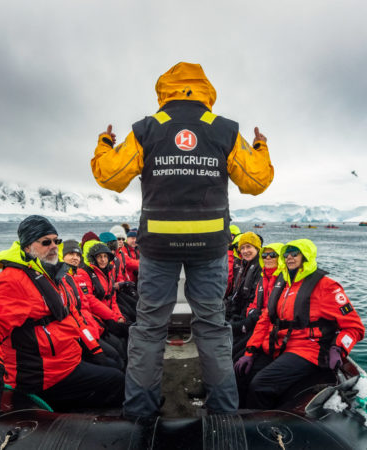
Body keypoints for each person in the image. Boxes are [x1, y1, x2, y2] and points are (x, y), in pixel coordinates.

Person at [91, 61, 274, 419]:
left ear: (164, 91)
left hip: (158, 246)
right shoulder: (223, 129)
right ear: (206, 91)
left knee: (148, 328)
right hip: (210, 246)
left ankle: (140, 412)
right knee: (213, 327)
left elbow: (110, 176)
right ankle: (223, 413)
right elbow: (256, 182)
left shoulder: (147, 129)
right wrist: (260, 146)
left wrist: (105, 143)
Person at [0, 215, 124, 412]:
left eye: (56, 241)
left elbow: (74, 317)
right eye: (46, 242)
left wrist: (95, 349)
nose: (54, 246)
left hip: (67, 359)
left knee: (115, 365)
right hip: (44, 375)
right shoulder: (13, 281)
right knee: (117, 380)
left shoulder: (55, 276)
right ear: (27, 247)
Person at [235, 239, 365, 409]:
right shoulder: (283, 284)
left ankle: (262, 421)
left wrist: (338, 348)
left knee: (260, 385)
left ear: (306, 256)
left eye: (294, 253)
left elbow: (355, 327)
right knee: (241, 374)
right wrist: (250, 351)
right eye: (286, 254)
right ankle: (237, 414)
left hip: (307, 349)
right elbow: (265, 320)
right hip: (279, 344)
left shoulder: (326, 286)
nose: (289, 257)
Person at [61, 239, 124, 370]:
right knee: (115, 359)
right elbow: (86, 305)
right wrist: (94, 343)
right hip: (82, 332)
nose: (75, 258)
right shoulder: (71, 278)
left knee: (120, 346)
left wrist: (115, 316)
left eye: (78, 255)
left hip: (93, 324)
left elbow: (109, 298)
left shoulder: (73, 277)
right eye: (71, 254)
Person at [232, 242, 283, 359]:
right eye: (264, 255)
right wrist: (250, 313)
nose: (268, 258)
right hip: (257, 322)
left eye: (273, 255)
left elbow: (275, 311)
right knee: (231, 348)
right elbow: (254, 303)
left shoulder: (283, 280)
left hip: (269, 328)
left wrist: (253, 318)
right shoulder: (264, 277)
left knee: (235, 354)